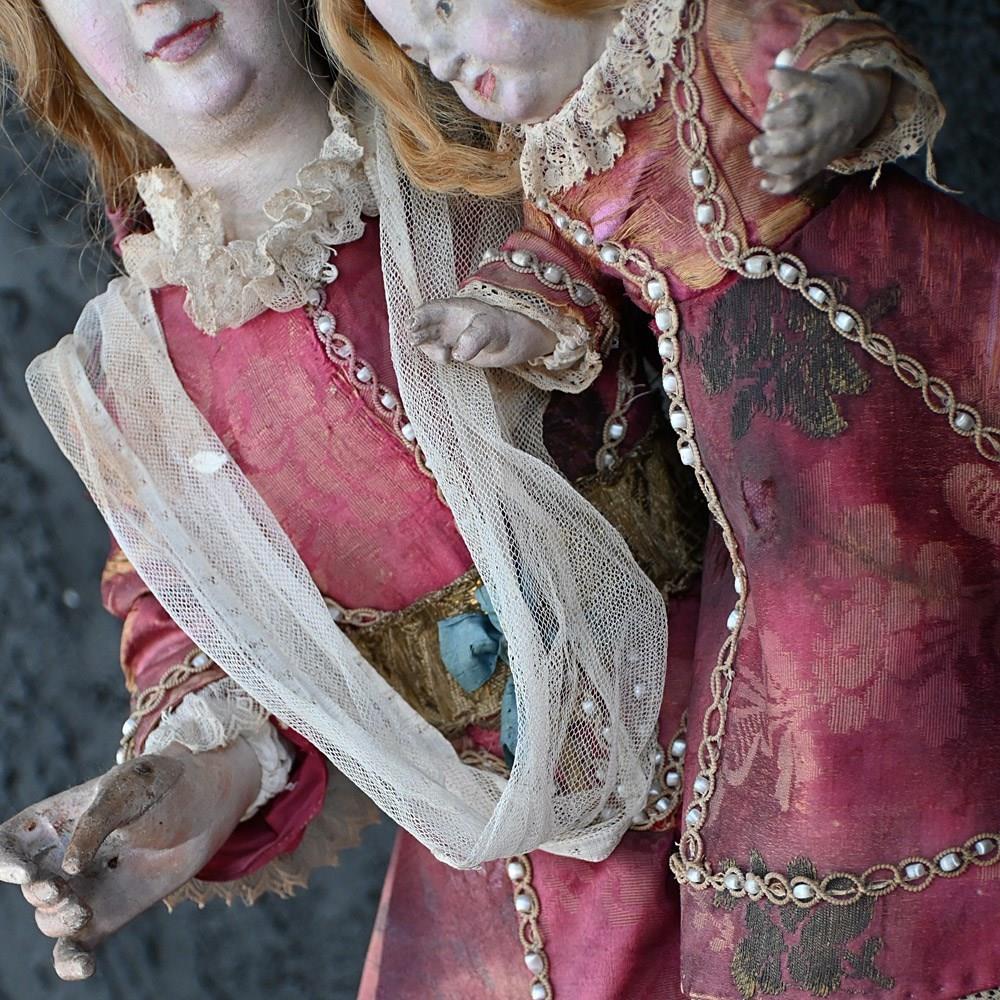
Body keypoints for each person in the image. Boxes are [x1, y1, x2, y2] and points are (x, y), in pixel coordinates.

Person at [0, 0, 704, 992]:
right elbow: (201, 619)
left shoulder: (492, 108)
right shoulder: (138, 376)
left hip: (758, 701)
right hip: (523, 882)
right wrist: (199, 779)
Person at [320, 0, 1000, 996]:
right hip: (785, 456)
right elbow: (563, 270)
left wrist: (832, 105)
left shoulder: (695, 36)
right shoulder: (561, 165)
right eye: (425, 54)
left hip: (912, 296)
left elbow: (836, 53)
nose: (453, 64)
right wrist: (506, 321)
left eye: (450, 14)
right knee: (860, 634)